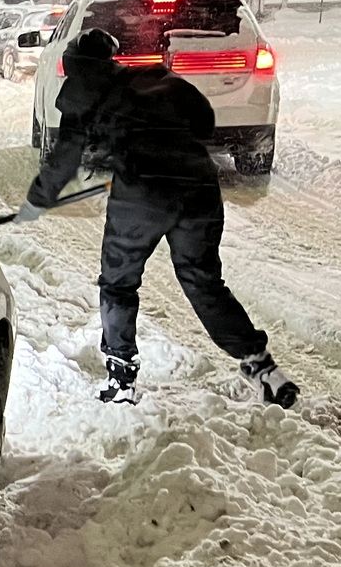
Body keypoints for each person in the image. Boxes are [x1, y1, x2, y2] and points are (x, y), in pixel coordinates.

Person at [17, 27, 298, 408]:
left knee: (118, 284)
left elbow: (64, 158)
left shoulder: (81, 93)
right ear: (112, 59)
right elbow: (203, 121)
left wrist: (38, 200)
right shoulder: (155, 78)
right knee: (204, 282)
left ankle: (121, 379)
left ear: (73, 66)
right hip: (199, 187)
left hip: (143, 195)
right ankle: (261, 366)